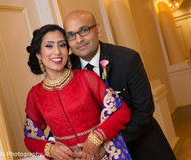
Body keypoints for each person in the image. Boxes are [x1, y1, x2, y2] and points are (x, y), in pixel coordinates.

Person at [62, 10, 176, 160]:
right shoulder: (67, 69)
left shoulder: (127, 59)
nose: (78, 39)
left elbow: (143, 112)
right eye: (71, 35)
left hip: (140, 147)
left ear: (98, 29)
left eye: (84, 30)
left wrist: (108, 146)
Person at [24, 24, 132, 160]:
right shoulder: (35, 94)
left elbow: (122, 111)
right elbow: (30, 139)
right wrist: (50, 148)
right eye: (49, 46)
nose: (57, 52)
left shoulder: (86, 77)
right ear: (38, 54)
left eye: (62, 45)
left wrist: (96, 138)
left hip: (102, 155)